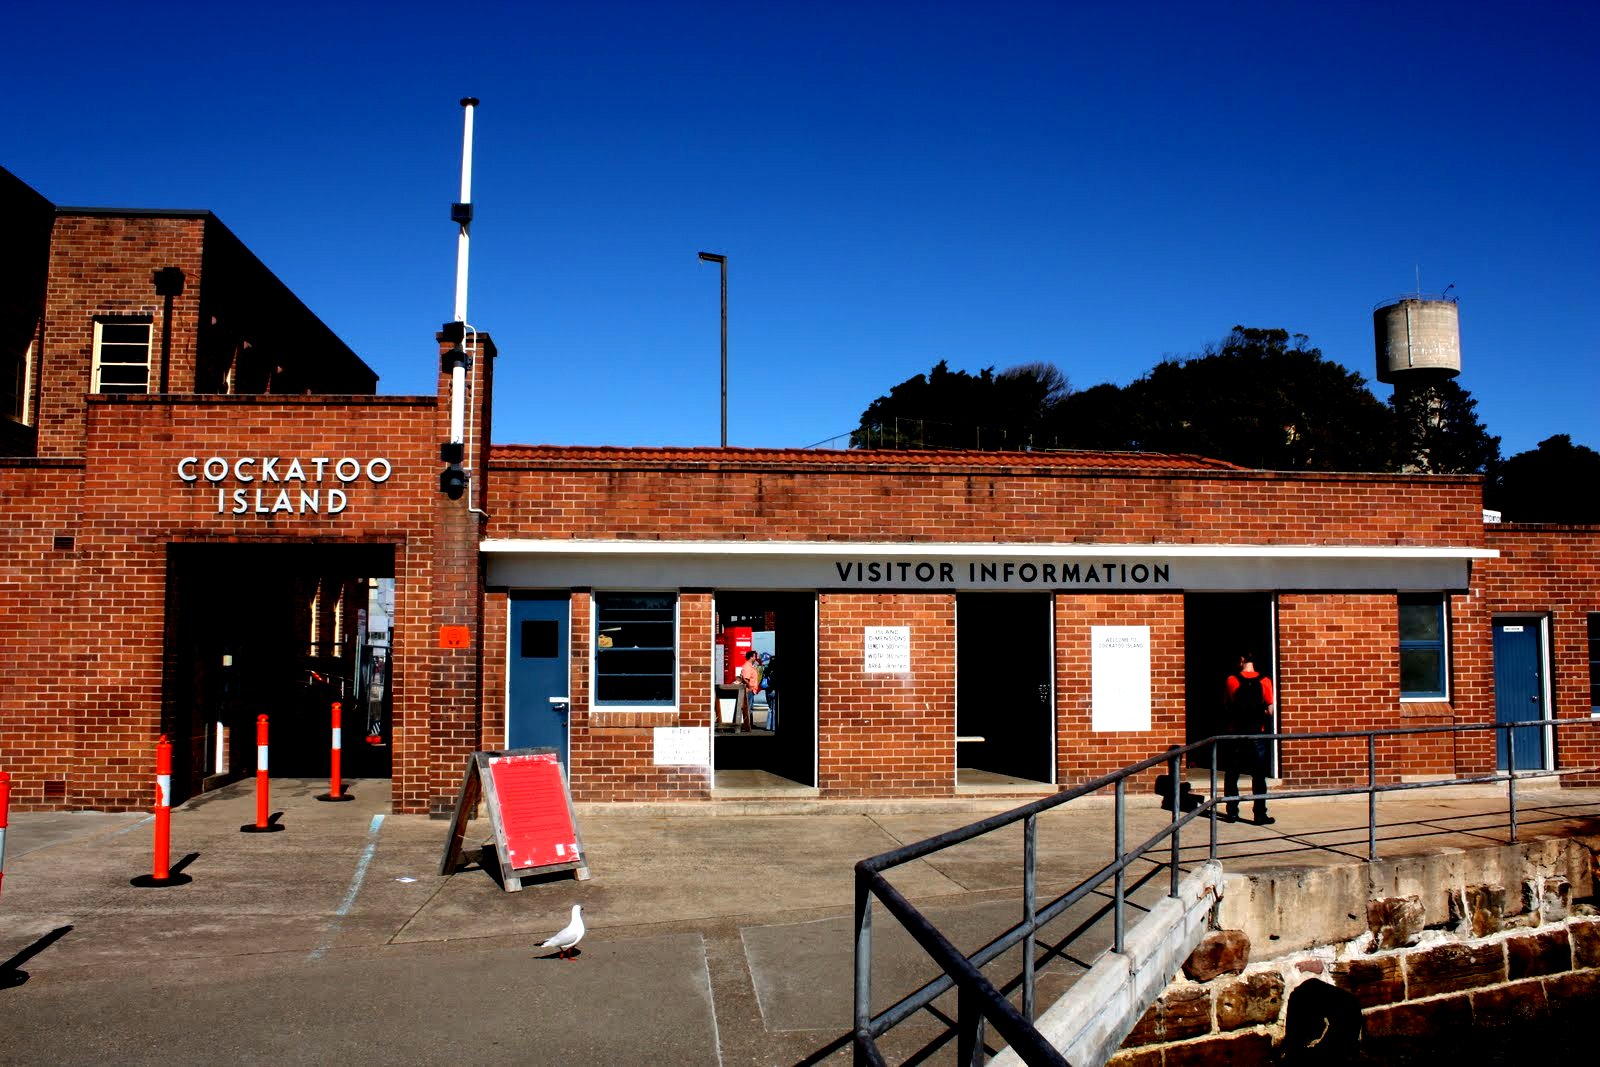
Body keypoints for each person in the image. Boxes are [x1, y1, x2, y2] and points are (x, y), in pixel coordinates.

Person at [1220, 652, 1275, 825]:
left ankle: (1232, 812)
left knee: (1232, 774)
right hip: (1256, 732)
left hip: (1236, 732)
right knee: (1258, 775)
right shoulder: (1265, 680)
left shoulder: (1231, 680)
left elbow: (1227, 705)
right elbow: (1270, 710)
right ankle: (1260, 814)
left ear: (1241, 659)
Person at [736, 650, 762, 732]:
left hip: (752, 690)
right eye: (754, 656)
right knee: (748, 708)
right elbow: (745, 679)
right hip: (749, 690)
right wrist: (750, 687)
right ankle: (746, 725)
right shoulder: (747, 666)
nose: (756, 658)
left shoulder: (751, 666)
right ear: (751, 657)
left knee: (750, 707)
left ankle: (749, 724)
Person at [762, 655, 778, 732]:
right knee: (775, 709)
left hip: (767, 691)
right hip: (774, 691)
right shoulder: (776, 671)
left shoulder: (767, 670)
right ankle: (774, 727)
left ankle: (768, 726)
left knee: (770, 709)